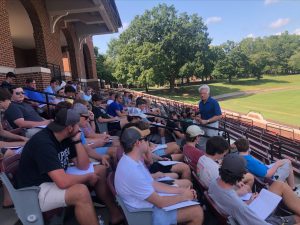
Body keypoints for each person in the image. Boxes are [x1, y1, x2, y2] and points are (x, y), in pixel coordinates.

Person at [16, 108, 123, 225]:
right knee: (80, 192)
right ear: (70, 128)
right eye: (78, 125)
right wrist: (88, 177)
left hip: (53, 178)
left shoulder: (65, 136)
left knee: (100, 170)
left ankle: (115, 214)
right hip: (34, 189)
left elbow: (84, 165)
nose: (80, 128)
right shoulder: (44, 143)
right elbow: (63, 182)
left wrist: (77, 142)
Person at [115, 126, 204, 225]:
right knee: (197, 212)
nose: (147, 142)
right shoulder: (132, 170)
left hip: (148, 205)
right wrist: (184, 196)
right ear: (137, 143)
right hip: (147, 213)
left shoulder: (132, 160)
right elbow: (160, 203)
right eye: (145, 139)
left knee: (188, 197)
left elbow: (153, 184)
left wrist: (182, 191)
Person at [208, 154, 300, 225]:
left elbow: (231, 204)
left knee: (279, 185)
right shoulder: (239, 206)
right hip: (259, 220)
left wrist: (249, 202)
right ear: (240, 176)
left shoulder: (214, 183)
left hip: (244, 214)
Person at [235, 138, 300, 195]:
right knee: (288, 162)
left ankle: (292, 186)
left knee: (284, 161)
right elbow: (268, 174)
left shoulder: (238, 156)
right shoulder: (249, 161)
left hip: (264, 169)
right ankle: (292, 188)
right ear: (248, 147)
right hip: (270, 178)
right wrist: (277, 164)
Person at [196, 85, 222, 150]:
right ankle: (202, 155)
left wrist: (207, 121)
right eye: (201, 93)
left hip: (212, 125)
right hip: (203, 125)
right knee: (201, 142)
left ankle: (213, 157)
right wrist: (198, 117)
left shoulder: (214, 102)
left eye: (204, 93)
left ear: (208, 93)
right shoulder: (200, 103)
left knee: (212, 143)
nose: (202, 95)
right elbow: (201, 112)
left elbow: (219, 116)